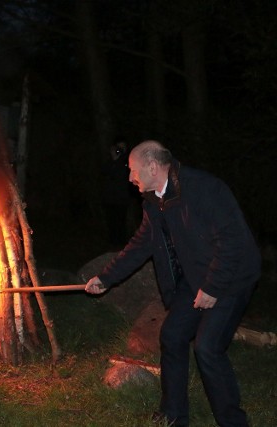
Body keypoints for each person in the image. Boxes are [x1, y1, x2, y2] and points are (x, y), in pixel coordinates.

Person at [85, 140, 261, 427]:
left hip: (232, 277)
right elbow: (142, 244)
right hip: (197, 277)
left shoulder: (205, 189)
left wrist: (212, 288)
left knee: (207, 347)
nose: (129, 177)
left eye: (132, 170)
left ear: (153, 167)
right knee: (173, 335)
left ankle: (233, 421)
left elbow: (233, 243)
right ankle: (173, 415)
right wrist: (106, 278)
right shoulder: (154, 201)